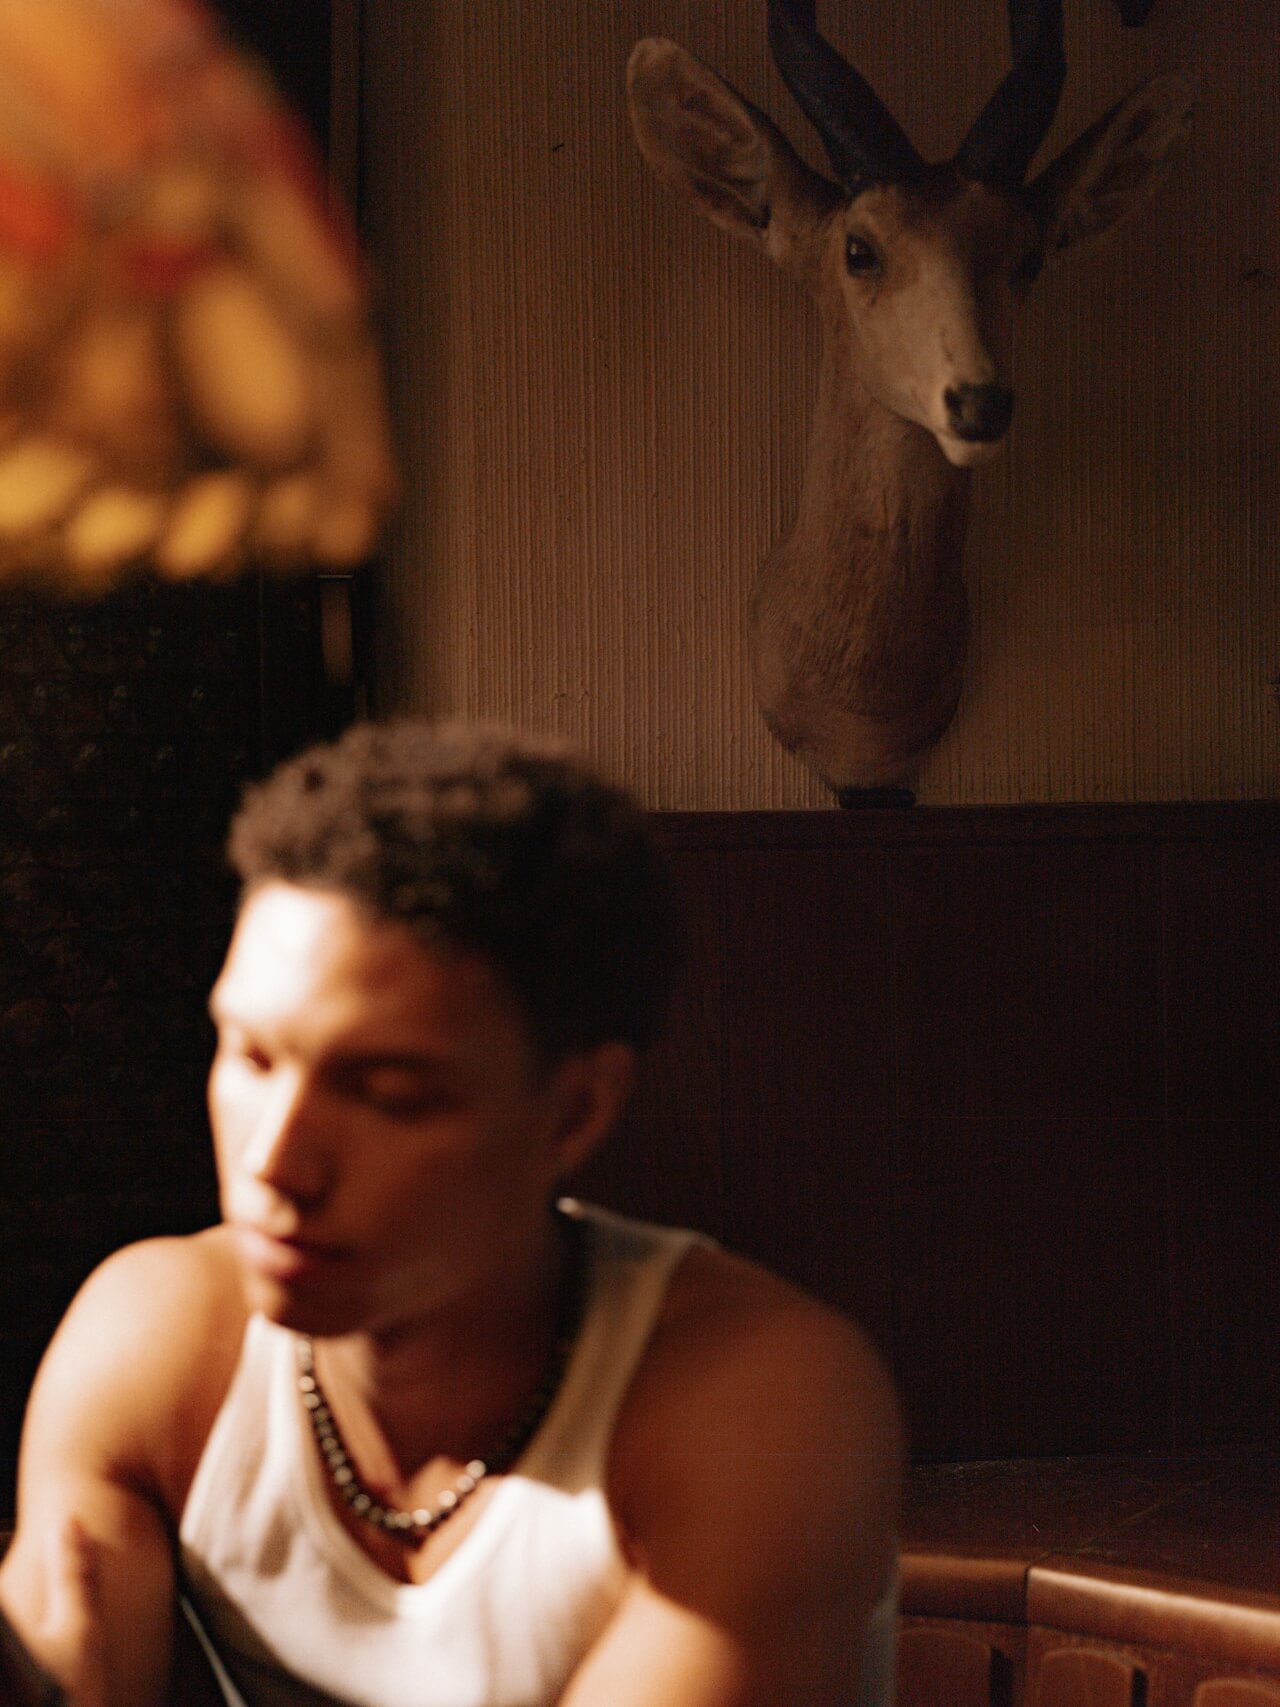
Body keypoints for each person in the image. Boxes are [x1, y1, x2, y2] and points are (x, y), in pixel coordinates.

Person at [0, 720, 902, 1707]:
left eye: (386, 1092)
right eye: (251, 1057)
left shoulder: (756, 1399)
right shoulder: (159, 1343)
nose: (275, 1163)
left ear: (573, 1110)